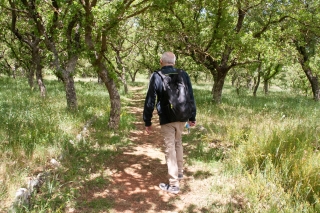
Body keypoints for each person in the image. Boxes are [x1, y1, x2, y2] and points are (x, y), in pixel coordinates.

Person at [143, 52, 197, 194]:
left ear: (161, 61)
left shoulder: (157, 75)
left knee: (170, 148)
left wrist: (147, 121)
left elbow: (150, 100)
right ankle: (179, 173)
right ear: (174, 62)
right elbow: (190, 96)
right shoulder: (183, 74)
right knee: (178, 142)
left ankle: (173, 184)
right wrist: (192, 116)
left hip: (167, 118)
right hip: (182, 115)